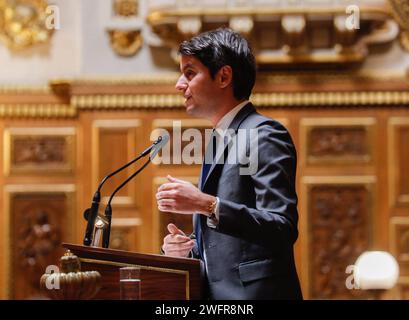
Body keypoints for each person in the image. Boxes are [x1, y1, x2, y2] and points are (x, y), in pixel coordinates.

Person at [156, 28, 302, 300]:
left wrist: (204, 203)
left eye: (189, 73)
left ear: (223, 76)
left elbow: (281, 227)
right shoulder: (218, 139)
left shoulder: (263, 133)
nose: (179, 84)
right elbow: (229, 244)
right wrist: (188, 248)